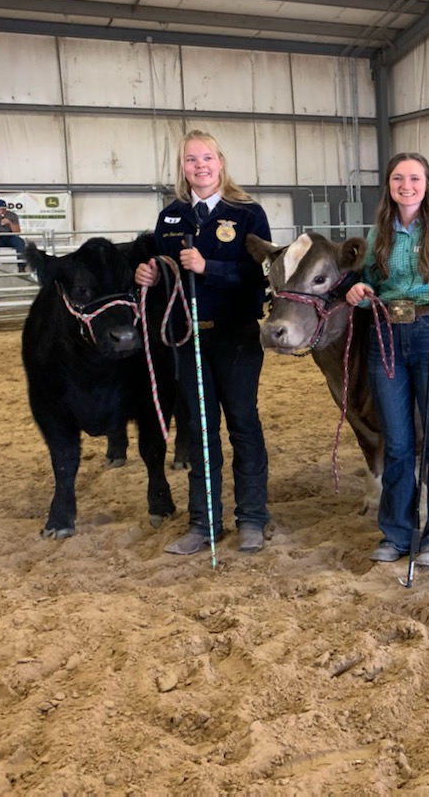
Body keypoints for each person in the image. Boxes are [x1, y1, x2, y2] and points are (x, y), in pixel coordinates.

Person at [134, 130, 273, 556]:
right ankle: (203, 523)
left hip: (235, 336)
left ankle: (252, 519)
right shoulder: (170, 218)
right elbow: (168, 275)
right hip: (188, 337)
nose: (200, 166)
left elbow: (260, 275)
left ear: (220, 162)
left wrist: (209, 267)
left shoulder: (248, 214)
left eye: (207, 158)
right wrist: (152, 274)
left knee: (243, 424)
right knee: (199, 430)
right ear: (183, 167)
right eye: (191, 160)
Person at [345, 152, 429, 568]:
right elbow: (370, 285)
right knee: (398, 443)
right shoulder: (378, 232)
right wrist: (359, 293)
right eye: (398, 178)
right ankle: (397, 533)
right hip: (385, 333)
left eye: (415, 178)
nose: (407, 186)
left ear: (427, 184)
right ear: (389, 185)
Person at [0, 199, 27, 274]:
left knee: (20, 242)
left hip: (10, 236)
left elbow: (17, 232)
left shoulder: (12, 215)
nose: (1, 211)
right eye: (0, 209)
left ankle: (21, 267)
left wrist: (10, 223)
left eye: (3, 209)